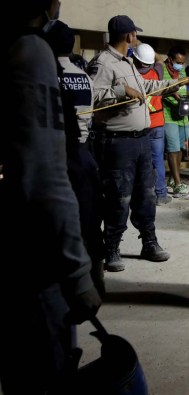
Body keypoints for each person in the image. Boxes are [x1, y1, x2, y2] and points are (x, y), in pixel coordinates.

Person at [2, 1, 102, 392]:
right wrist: (78, 273)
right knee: (44, 371)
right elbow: (44, 172)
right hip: (29, 251)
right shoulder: (28, 50)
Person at [87, 15, 189, 272]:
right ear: (128, 36)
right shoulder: (103, 63)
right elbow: (93, 97)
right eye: (135, 34)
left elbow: (147, 86)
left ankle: (149, 242)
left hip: (141, 141)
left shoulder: (128, 63)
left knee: (145, 196)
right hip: (117, 144)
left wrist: (173, 84)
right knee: (118, 197)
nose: (137, 38)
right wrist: (123, 92)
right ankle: (111, 248)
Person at [45, 20, 108, 296]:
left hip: (56, 157)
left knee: (57, 222)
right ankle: (97, 278)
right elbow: (91, 112)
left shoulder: (46, 74)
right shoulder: (82, 76)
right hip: (83, 153)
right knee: (90, 219)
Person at [133, 43, 172, 205]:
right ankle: (161, 194)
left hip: (140, 124)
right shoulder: (157, 72)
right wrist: (140, 43)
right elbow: (161, 61)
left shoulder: (132, 75)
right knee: (157, 160)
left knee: (140, 161)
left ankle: (143, 194)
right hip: (157, 122)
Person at [162, 45, 189, 196]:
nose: (180, 65)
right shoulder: (162, 71)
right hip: (168, 116)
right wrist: (174, 96)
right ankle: (178, 185)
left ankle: (173, 179)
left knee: (180, 148)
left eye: (182, 62)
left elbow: (185, 89)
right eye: (178, 61)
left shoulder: (182, 71)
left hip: (183, 117)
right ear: (170, 59)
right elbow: (161, 91)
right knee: (173, 149)